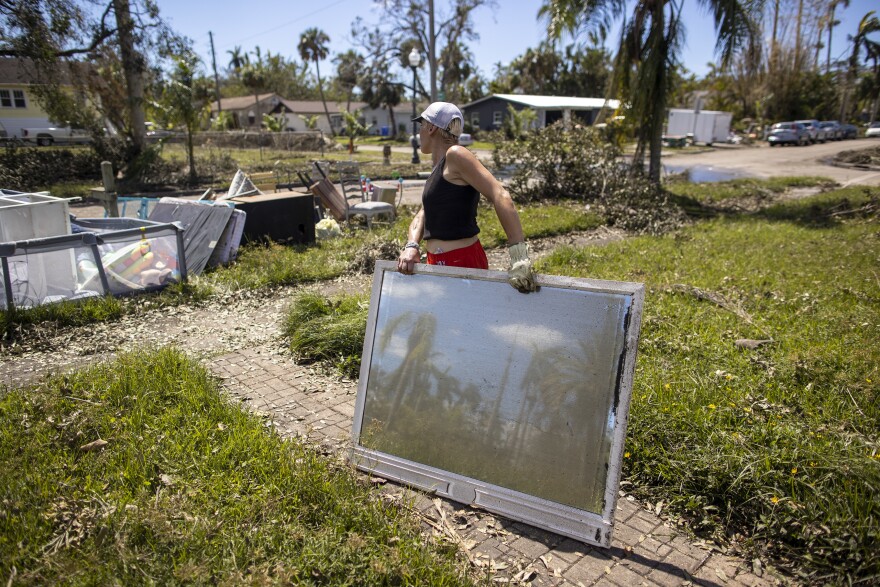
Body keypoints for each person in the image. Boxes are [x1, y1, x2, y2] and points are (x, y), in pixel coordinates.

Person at [396, 102, 538, 293]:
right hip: (438, 261)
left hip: (461, 260)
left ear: (431, 128)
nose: (419, 132)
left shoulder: (456, 155)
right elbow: (424, 212)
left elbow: (501, 195)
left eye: (421, 126)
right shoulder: (439, 168)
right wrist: (412, 245)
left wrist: (519, 256)